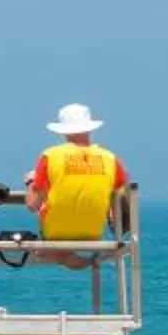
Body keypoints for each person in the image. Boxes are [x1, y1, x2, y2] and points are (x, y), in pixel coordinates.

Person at [22, 103, 128, 259]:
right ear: (90, 128)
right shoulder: (110, 159)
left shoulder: (50, 156)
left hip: (54, 234)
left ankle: (66, 257)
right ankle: (76, 260)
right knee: (65, 257)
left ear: (63, 131)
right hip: (93, 233)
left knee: (58, 253)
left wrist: (31, 181)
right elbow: (120, 195)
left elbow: (32, 205)